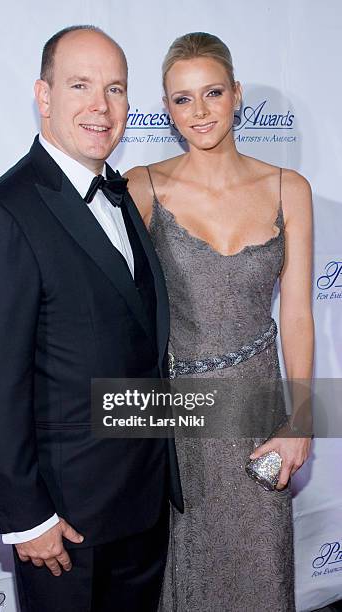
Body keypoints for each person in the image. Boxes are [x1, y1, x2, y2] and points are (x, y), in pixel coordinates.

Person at [0, 26, 183, 612]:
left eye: (115, 88)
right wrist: (28, 518)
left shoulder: (121, 194)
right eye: (80, 85)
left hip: (139, 505)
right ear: (44, 95)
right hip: (66, 522)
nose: (100, 106)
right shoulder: (3, 216)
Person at [125, 32, 314, 611]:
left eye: (211, 93)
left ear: (235, 95)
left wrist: (302, 418)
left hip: (258, 407)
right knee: (184, 572)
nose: (199, 112)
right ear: (167, 109)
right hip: (176, 411)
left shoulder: (290, 189)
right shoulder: (142, 186)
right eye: (182, 99)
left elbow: (299, 314)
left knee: (260, 568)